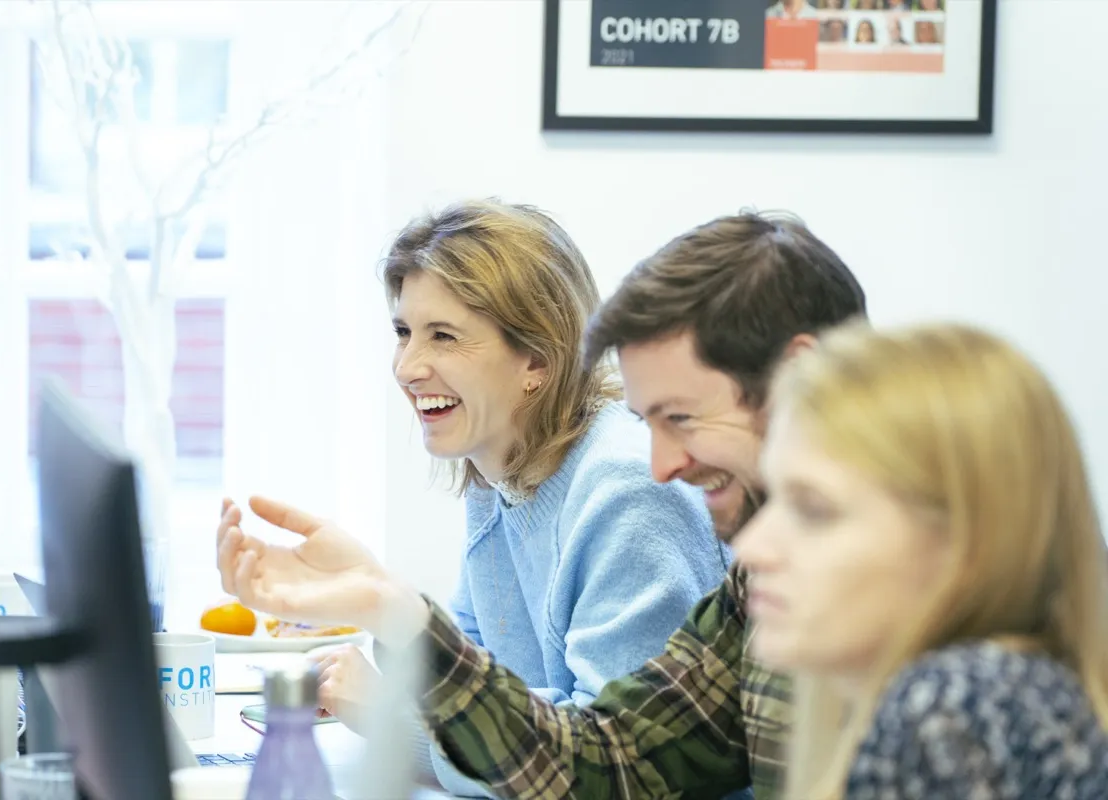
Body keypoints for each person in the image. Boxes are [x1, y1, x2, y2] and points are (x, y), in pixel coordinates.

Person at [217, 211, 867, 799]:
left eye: (680, 417)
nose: (665, 464)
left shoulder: (910, 596)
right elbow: (600, 762)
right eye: (405, 332)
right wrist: (389, 609)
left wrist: (394, 657)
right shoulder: (756, 580)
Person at [735, 321, 1108, 797]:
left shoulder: (949, 709)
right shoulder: (1020, 696)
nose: (751, 548)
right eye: (773, 499)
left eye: (814, 510)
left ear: (968, 540)